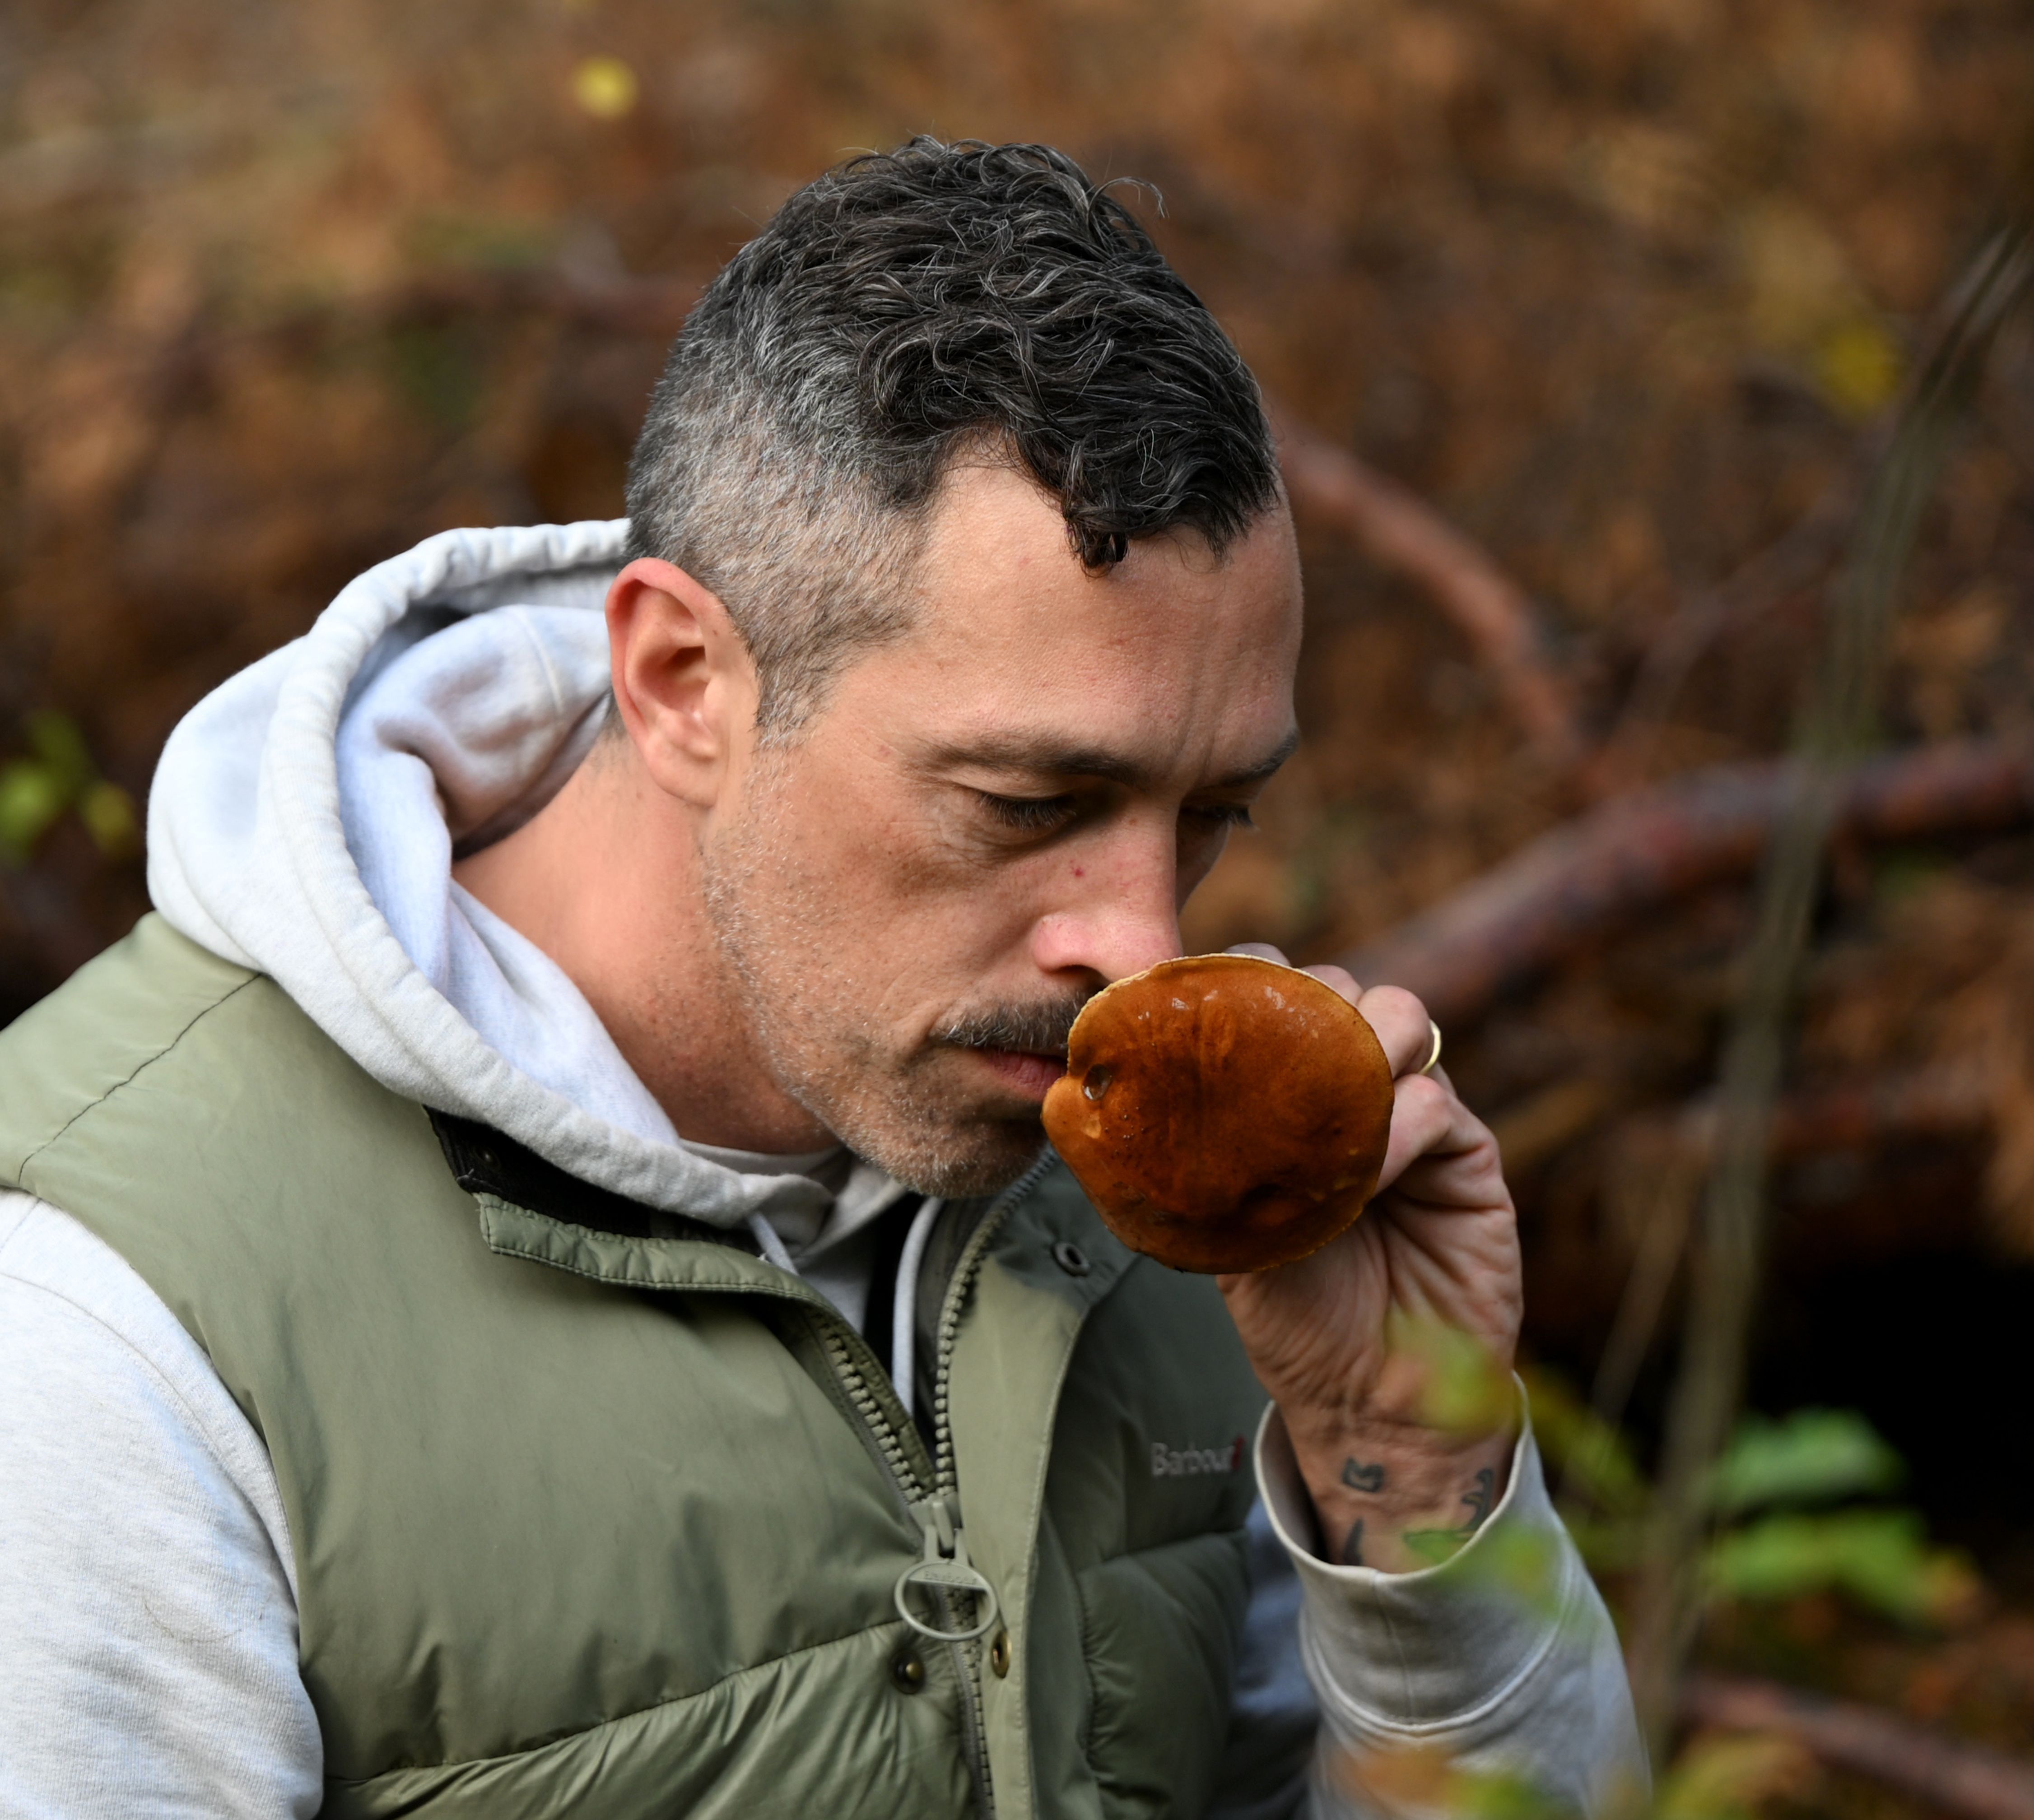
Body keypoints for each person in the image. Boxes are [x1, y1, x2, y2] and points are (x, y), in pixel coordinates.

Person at [0, 139, 1643, 1818]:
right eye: (1031, 804)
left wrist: (1412, 1476)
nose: (1142, 951)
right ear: (683, 679)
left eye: (1209, 814)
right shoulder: (103, 1335)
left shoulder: (1169, 1223)